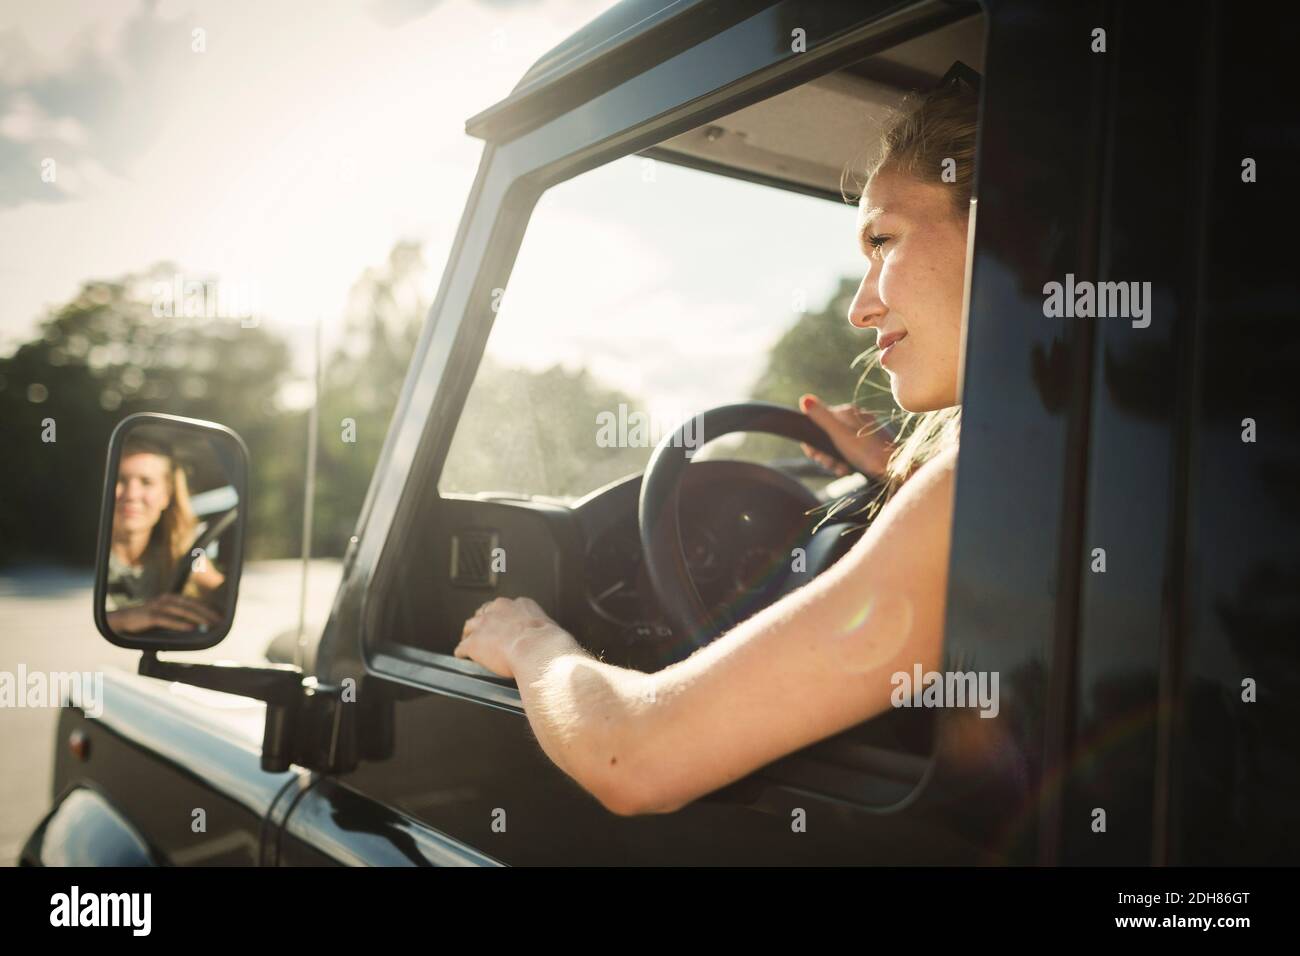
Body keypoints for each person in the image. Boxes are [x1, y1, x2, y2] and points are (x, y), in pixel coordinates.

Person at [455, 74, 977, 816]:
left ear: (1002, 233)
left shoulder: (977, 495)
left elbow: (631, 753)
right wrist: (893, 470)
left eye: (883, 239)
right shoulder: (1049, 478)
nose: (861, 309)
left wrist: (527, 638)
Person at [105, 434, 224, 635]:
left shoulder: (183, 551)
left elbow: (221, 594)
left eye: (146, 482)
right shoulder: (83, 556)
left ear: (166, 496)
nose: (132, 495)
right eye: (120, 479)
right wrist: (121, 619)